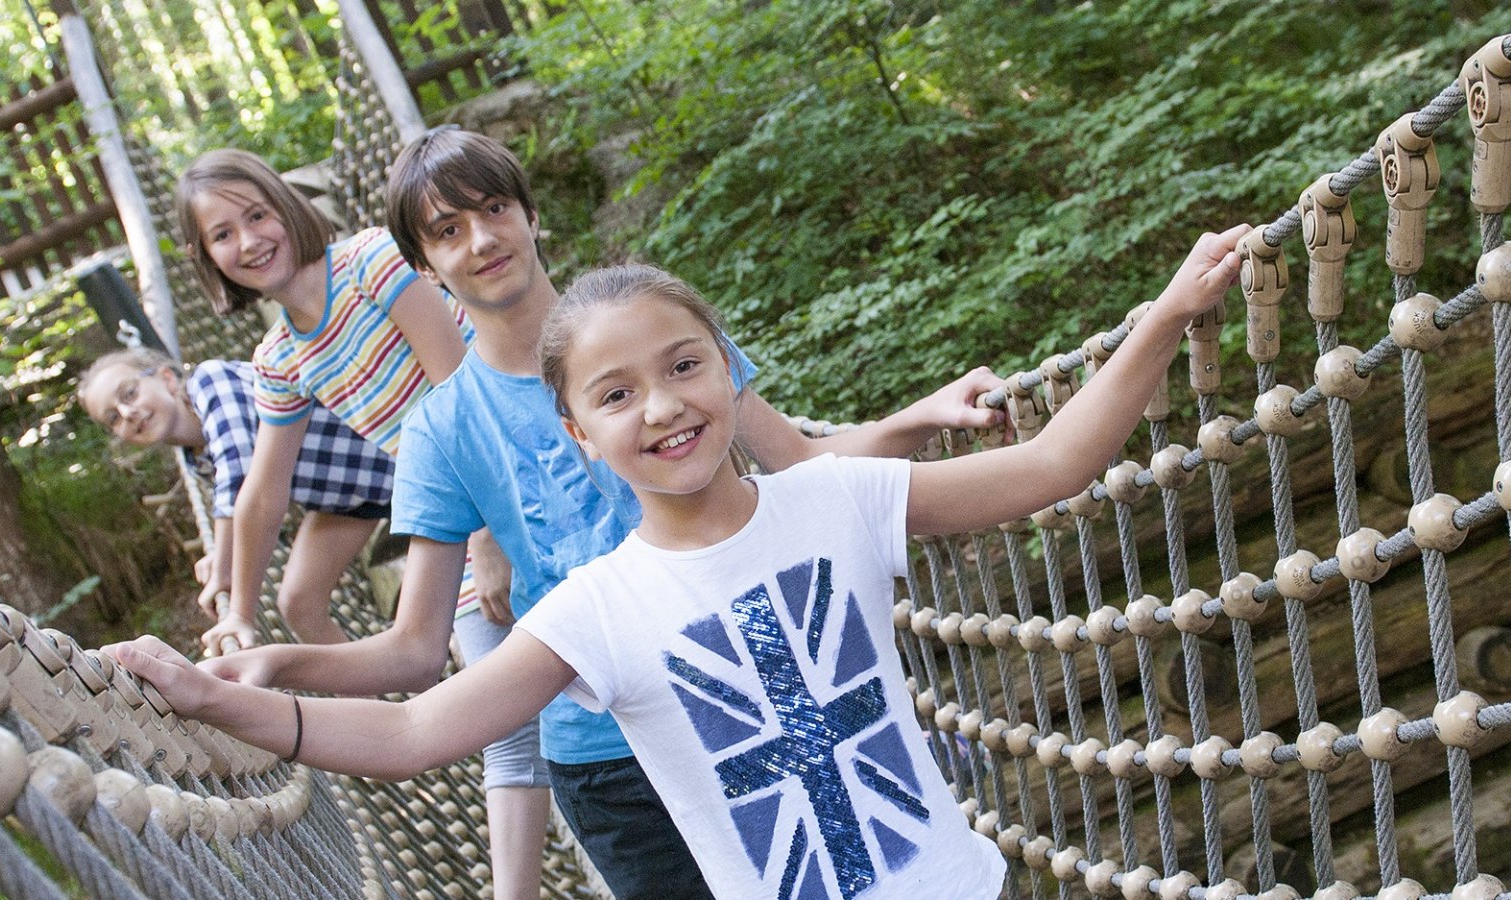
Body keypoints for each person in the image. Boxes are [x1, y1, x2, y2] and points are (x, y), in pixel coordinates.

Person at [112, 222, 1250, 899]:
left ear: (728, 373)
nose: (663, 408)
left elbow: (1050, 464)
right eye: (616, 395)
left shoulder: (835, 499)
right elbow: (418, 730)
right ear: (577, 436)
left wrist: (1167, 310)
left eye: (687, 365)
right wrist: (221, 695)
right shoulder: (596, 609)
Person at [194, 128, 1009, 900]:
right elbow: (413, 653)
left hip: (756, 702)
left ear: (530, 214)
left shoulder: (645, 327)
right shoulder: (441, 432)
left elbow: (798, 466)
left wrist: (918, 418)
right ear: (424, 267)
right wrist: (282, 664)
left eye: (493, 210)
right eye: (447, 231)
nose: (480, 240)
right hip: (606, 760)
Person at [173, 148, 479, 657]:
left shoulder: (370, 262)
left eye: (257, 216)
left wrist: (486, 538)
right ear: (206, 256)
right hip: (453, 506)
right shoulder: (278, 358)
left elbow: (460, 395)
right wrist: (240, 613)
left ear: (285, 206)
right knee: (495, 704)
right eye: (222, 235)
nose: (249, 242)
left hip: (505, 464)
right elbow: (264, 491)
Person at [77, 349, 391, 644]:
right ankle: (378, 698)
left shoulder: (211, 381)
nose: (127, 413)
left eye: (129, 393)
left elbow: (242, 483)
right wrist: (222, 551)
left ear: (166, 379)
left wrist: (240, 611)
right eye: (113, 418)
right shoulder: (196, 457)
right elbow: (236, 498)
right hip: (352, 499)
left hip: (389, 458)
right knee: (299, 604)